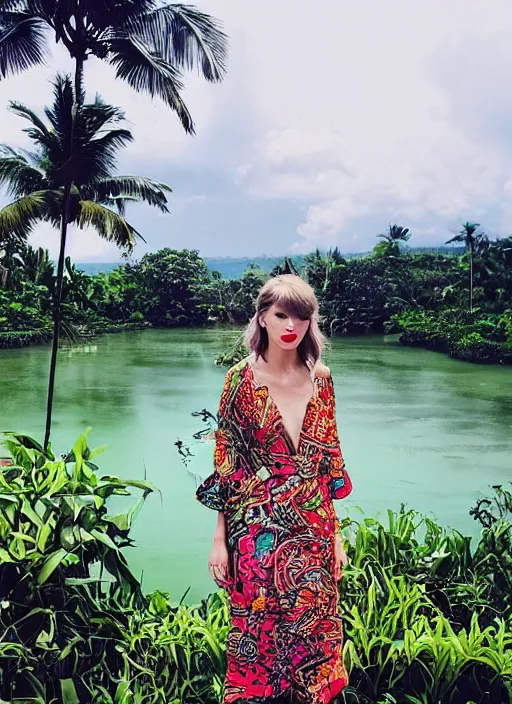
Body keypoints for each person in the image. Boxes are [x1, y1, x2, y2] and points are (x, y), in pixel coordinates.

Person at [196, 274, 353, 704]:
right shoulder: (239, 381)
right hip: (256, 535)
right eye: (281, 314)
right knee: (257, 635)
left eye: (301, 317)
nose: (291, 326)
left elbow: (326, 462)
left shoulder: (321, 378)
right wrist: (219, 540)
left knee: (314, 635)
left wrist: (336, 536)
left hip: (313, 531)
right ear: (262, 317)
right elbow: (228, 464)